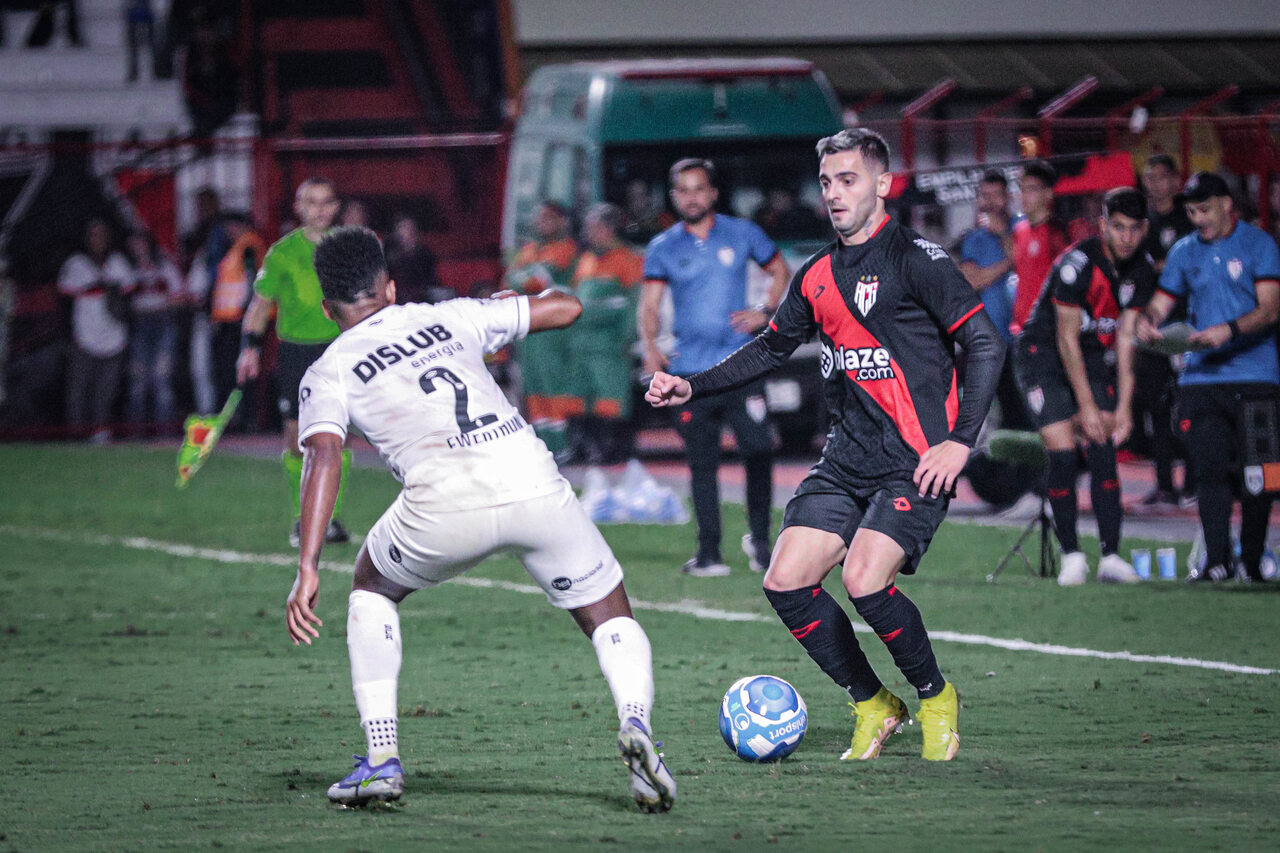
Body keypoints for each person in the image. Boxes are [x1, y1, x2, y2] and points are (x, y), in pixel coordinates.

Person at [286, 226, 675, 812]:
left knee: (370, 587)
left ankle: (382, 757)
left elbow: (322, 457)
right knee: (606, 611)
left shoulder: (328, 370)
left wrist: (309, 563)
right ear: (389, 289)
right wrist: (510, 303)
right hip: (532, 484)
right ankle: (639, 729)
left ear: (326, 308)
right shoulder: (451, 316)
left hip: (440, 510)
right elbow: (565, 308)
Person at [647, 129, 1004, 760]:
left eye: (850, 180)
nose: (836, 194)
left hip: (915, 461)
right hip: (845, 460)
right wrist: (692, 387)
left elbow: (985, 344)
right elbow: (772, 346)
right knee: (785, 580)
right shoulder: (816, 273)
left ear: (882, 184)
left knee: (866, 579)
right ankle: (873, 702)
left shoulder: (919, 260)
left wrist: (959, 443)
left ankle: (934, 695)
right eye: (828, 182)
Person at [640, 158, 790, 577]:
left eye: (698, 188)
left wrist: (765, 310)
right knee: (701, 461)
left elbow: (780, 271)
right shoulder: (663, 247)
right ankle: (709, 553)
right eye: (683, 190)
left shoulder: (742, 233)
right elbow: (650, 304)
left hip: (742, 366)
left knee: (759, 450)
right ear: (674, 197)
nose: (691, 197)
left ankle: (761, 541)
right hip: (690, 373)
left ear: (713, 193)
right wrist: (651, 348)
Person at [1137, 171, 1280, 583]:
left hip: (1256, 376)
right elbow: (1162, 303)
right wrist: (1149, 322)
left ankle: (1252, 562)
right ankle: (1216, 561)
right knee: (1209, 470)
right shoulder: (1185, 251)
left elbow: (1271, 309)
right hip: (1201, 379)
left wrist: (1228, 330)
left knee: (1260, 476)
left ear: (1226, 205)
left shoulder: (1259, 244)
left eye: (1203, 209)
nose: (1197, 218)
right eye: (1192, 211)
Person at [1013, 188, 1155, 586]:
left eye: (1134, 229)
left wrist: (1124, 407)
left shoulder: (1141, 269)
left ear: (1144, 229)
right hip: (1043, 353)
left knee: (1104, 446)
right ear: (1105, 225)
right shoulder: (1078, 265)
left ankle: (1111, 555)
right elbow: (1065, 340)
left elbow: (1127, 340)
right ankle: (1072, 554)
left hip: (1091, 356)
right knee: (1063, 451)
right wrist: (1086, 407)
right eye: (1119, 228)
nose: (1126, 237)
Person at [237, 177, 351, 547]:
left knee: (338, 439)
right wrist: (250, 347)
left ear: (335, 207)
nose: (319, 209)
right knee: (296, 441)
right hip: (296, 354)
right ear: (299, 208)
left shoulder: (348, 248)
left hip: (339, 350)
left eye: (325, 202)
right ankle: (302, 519)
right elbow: (260, 306)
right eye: (310, 202)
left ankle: (328, 520)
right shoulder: (282, 253)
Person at [1133, 154, 1197, 508]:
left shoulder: (1187, 219)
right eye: (1149, 177)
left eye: (1160, 177)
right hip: (1153, 328)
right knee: (1156, 408)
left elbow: (1185, 267)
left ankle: (1192, 482)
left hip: (1187, 325)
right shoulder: (1144, 222)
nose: (1155, 184)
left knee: (1187, 407)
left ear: (1175, 180)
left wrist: (1160, 265)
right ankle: (1163, 486)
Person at [504, 200, 580, 457]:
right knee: (533, 391)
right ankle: (545, 446)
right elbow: (510, 278)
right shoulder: (530, 249)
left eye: (548, 218)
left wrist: (524, 276)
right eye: (540, 218)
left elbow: (536, 281)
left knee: (554, 389)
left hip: (553, 332)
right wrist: (523, 276)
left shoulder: (566, 249)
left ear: (561, 221)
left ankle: (563, 447)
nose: (542, 222)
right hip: (529, 332)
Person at [571, 202, 644, 463]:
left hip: (611, 344)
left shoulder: (628, 259)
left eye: (594, 228)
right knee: (586, 398)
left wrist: (628, 337)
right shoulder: (587, 260)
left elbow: (635, 302)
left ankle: (615, 448)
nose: (589, 233)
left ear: (609, 228)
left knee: (612, 397)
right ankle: (589, 446)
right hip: (583, 344)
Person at [958, 169, 1028, 432]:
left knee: (1021, 408)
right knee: (988, 408)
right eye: (984, 195)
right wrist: (1007, 263)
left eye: (995, 195)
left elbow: (1026, 262)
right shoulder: (974, 238)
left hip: (1023, 334)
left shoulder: (1021, 227)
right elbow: (972, 280)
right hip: (989, 336)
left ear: (1007, 197)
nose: (989, 202)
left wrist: (1003, 236)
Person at [58, 218, 134, 443]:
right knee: (78, 390)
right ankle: (76, 435)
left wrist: (110, 288)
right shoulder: (77, 263)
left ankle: (100, 433)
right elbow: (65, 291)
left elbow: (130, 288)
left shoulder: (118, 261)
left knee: (106, 390)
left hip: (114, 336)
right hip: (84, 335)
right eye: (94, 235)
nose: (98, 239)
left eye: (102, 234)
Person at [124, 230, 183, 434]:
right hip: (139, 324)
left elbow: (178, 296)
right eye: (133, 243)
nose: (137, 247)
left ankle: (163, 432)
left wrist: (161, 303)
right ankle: (135, 432)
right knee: (138, 380)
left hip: (162, 322)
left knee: (162, 378)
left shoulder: (163, 266)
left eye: (140, 242)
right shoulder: (127, 268)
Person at [1011, 160, 1069, 334]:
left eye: (1031, 189)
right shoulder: (1019, 231)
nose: (1024, 196)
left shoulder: (1056, 234)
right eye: (1022, 189)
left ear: (1048, 193)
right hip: (1021, 329)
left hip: (1046, 330)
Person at [386, 213, 445, 305]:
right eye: (403, 228)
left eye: (410, 228)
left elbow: (429, 281)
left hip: (421, 295)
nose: (407, 232)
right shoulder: (389, 253)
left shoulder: (425, 254)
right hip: (397, 295)